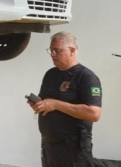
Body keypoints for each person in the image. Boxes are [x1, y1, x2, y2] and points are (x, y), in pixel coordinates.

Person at [29, 31, 102, 167]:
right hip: (49, 145)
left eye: (57, 50)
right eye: (51, 50)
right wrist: (39, 105)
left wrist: (56, 104)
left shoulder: (86, 77)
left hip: (73, 148)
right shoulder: (50, 74)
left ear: (72, 50)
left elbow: (94, 114)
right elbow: (47, 104)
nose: (52, 54)